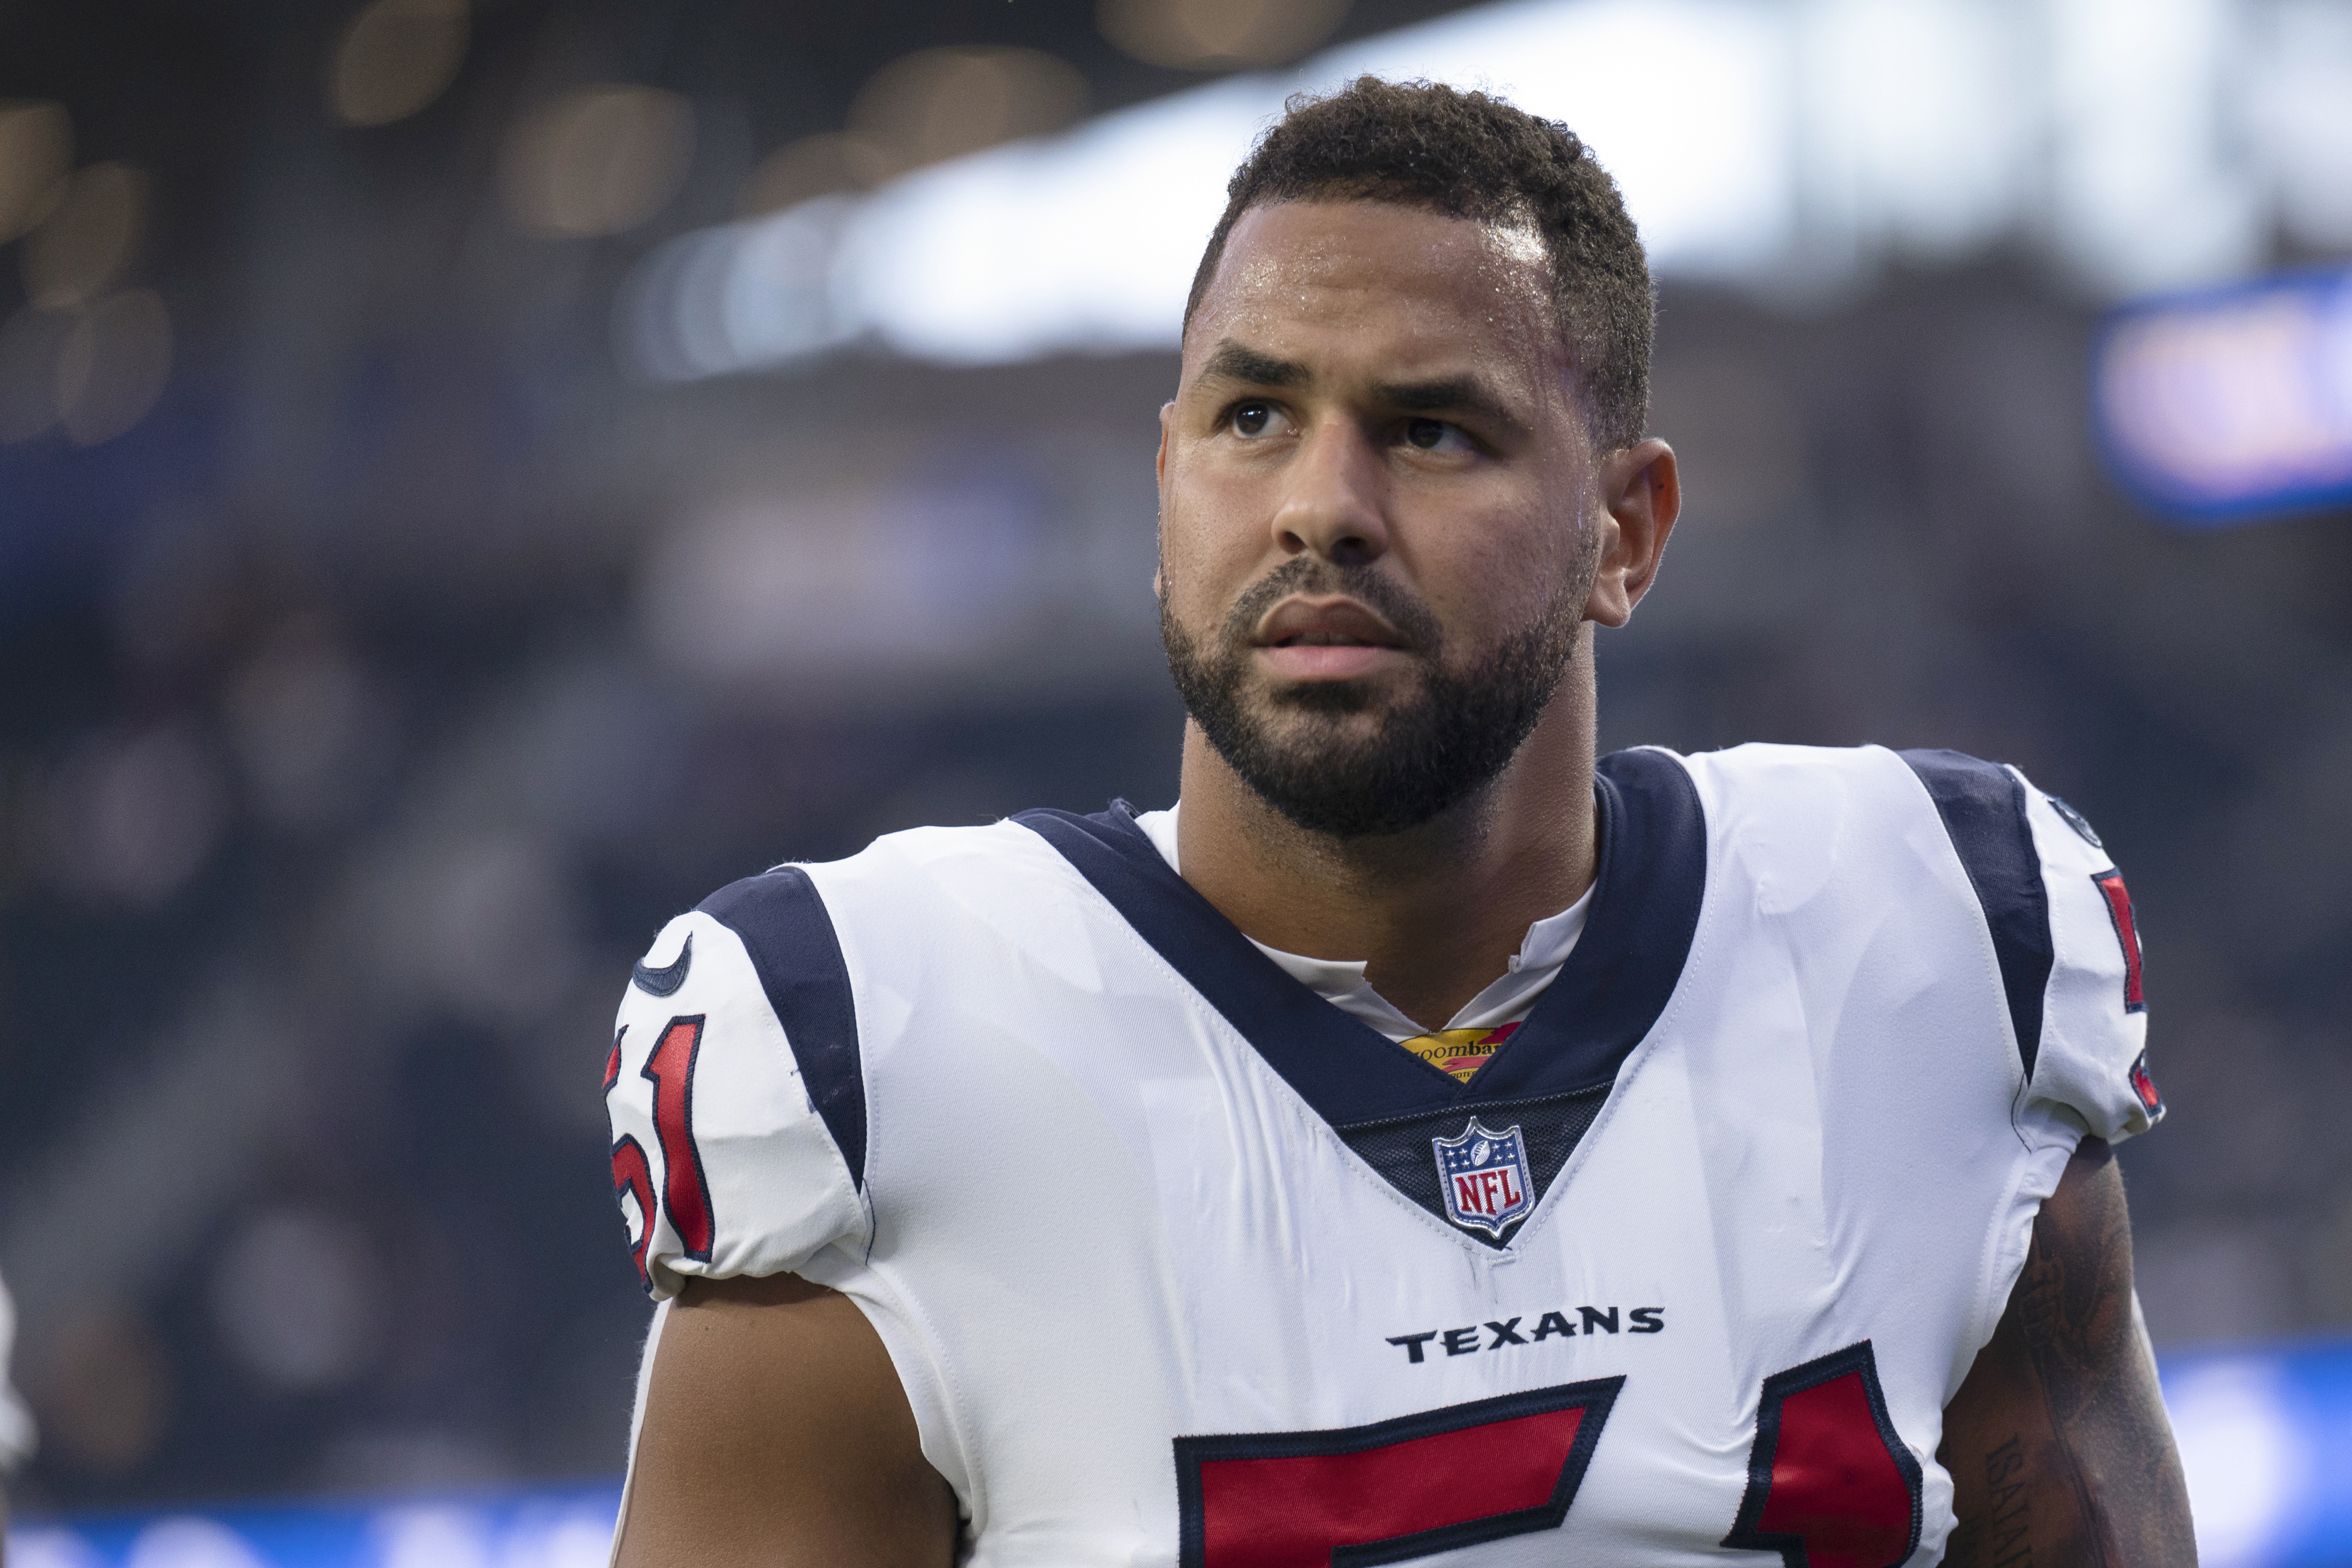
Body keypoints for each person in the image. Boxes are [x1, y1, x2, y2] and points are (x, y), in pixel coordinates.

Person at [603, 78, 2192, 1567]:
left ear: (1623, 534)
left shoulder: (1936, 931)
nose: (1322, 502)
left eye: (1432, 428)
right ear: (1165, 491)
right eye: (1252, 420)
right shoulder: (867, 1043)